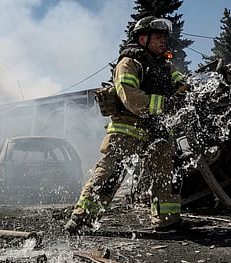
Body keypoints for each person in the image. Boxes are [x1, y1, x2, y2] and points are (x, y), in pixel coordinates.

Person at [65, 16, 188, 234]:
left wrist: (190, 91)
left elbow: (184, 85)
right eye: (157, 37)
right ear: (143, 39)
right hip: (128, 129)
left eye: (163, 37)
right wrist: (167, 104)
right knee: (110, 174)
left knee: (165, 171)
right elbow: (131, 97)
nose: (162, 41)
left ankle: (167, 220)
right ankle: (82, 218)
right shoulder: (129, 63)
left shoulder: (165, 66)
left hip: (156, 130)